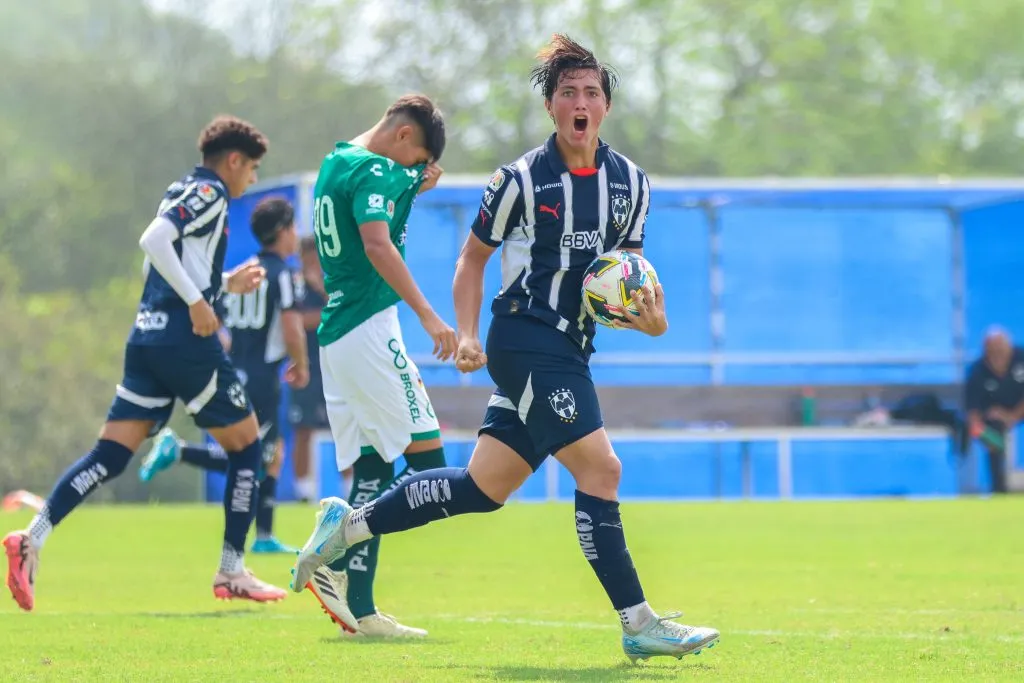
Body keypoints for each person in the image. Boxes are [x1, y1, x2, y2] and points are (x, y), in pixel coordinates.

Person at [289, 35, 720, 662]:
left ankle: (345, 529)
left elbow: (626, 276)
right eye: (567, 92)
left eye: (591, 93)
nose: (580, 102)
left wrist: (651, 322)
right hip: (524, 339)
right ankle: (639, 621)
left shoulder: (632, 183)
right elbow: (472, 259)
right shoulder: (518, 179)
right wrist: (465, 334)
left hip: (572, 349)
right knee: (602, 470)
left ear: (605, 107)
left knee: (481, 489)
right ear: (551, 106)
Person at [3, 116, 288, 611]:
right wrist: (200, 304)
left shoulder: (178, 188)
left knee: (109, 456)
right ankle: (232, 568)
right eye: (254, 168)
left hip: (148, 338)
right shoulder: (211, 192)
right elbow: (152, 241)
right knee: (250, 449)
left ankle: (33, 538)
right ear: (235, 160)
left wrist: (220, 285)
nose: (253, 180)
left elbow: (158, 264)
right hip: (186, 344)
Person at [295, 94, 455, 638]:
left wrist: (413, 185)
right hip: (370, 329)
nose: (410, 173)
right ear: (406, 136)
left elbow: (377, 203)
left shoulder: (337, 161)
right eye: (415, 162)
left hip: (338, 335)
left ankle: (360, 611)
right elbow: (378, 244)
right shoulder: (379, 169)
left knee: (372, 471)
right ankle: (337, 536)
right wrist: (431, 318)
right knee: (431, 464)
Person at [137, 196, 310, 553]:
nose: (296, 235)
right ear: (282, 231)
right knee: (257, 454)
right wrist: (301, 363)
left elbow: (216, 322)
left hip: (236, 369)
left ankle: (264, 536)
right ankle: (180, 451)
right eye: (293, 227)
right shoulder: (283, 275)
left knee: (267, 454)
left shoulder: (243, 272)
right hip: (263, 376)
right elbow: (292, 327)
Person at [287, 236, 346, 504]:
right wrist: (318, 317)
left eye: (315, 257)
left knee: (342, 427)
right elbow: (291, 322)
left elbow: (342, 312)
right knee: (303, 428)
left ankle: (351, 490)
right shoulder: (292, 285)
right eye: (306, 257)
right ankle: (303, 492)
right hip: (304, 365)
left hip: (335, 366)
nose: (311, 263)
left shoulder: (333, 281)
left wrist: (320, 288)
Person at [965, 327, 1024, 494]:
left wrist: (1012, 416)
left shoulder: (1022, 358)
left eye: (1001, 347)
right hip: (995, 419)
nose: (998, 353)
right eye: (993, 349)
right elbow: (973, 414)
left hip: (1018, 410)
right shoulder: (977, 371)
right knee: (993, 435)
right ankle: (999, 489)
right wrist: (983, 435)